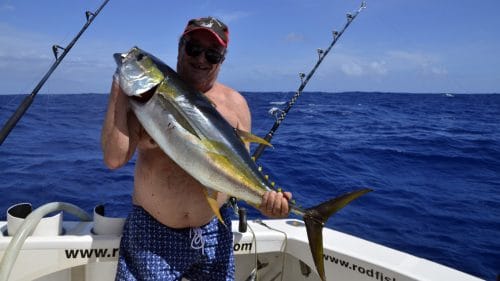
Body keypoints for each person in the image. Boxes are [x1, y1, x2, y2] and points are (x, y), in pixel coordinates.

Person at [101, 16, 292, 281]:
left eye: (212, 54)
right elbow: (113, 159)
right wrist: (119, 87)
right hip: (153, 236)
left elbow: (237, 173)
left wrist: (266, 202)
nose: (201, 59)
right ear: (180, 47)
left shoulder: (236, 106)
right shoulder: (143, 101)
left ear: (221, 60)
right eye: (194, 48)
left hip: (215, 232)